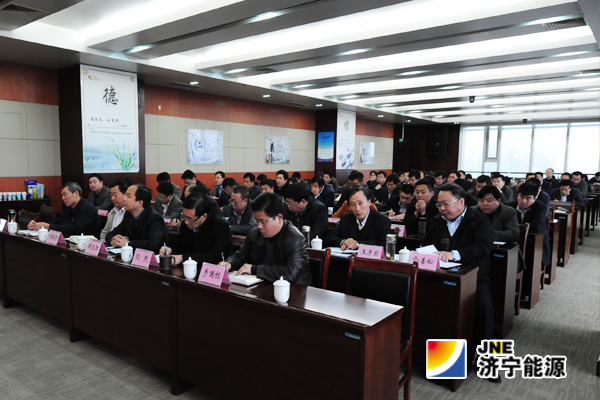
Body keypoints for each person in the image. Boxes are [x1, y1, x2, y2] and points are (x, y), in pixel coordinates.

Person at [423, 183, 496, 378]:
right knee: (438, 312)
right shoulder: (436, 221)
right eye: (439, 205)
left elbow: (483, 247)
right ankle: (443, 366)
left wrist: (454, 254)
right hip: (442, 277)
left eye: (446, 204)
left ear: (461, 202)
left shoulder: (479, 220)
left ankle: (488, 362)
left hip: (474, 277)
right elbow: (427, 244)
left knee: (485, 309)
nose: (442, 209)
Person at [219, 193, 312, 285]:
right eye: (257, 221)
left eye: (263, 222)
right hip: (262, 286)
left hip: (292, 290)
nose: (259, 226)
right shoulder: (255, 233)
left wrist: (254, 269)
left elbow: (290, 274)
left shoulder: (296, 239)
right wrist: (229, 263)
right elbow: (241, 255)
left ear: (279, 218)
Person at [161, 193, 233, 272]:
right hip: (188, 270)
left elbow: (213, 257)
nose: (186, 222)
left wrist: (182, 258)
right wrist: (170, 249)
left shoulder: (220, 226)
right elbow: (180, 245)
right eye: (184, 216)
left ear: (204, 216)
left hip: (211, 271)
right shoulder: (185, 224)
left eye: (190, 218)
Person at [105, 184, 168, 253]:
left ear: (140, 203)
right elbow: (111, 234)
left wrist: (127, 243)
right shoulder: (128, 215)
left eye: (128, 196)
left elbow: (151, 244)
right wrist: (113, 240)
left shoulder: (155, 218)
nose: (124, 199)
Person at [325, 187, 391, 249]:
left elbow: (384, 244)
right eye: (353, 204)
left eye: (360, 203)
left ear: (369, 202)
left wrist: (356, 244)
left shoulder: (382, 221)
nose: (357, 209)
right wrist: (343, 242)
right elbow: (330, 238)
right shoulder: (346, 219)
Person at [28, 182, 101, 238]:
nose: (63, 198)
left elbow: (77, 229)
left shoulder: (87, 208)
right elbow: (58, 222)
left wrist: (48, 226)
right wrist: (38, 225)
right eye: (62, 195)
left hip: (87, 243)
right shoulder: (69, 207)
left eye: (65, 194)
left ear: (76, 193)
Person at [508, 182, 550, 267]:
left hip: (535, 242)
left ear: (535, 198)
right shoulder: (510, 207)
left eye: (528, 198)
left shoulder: (540, 207)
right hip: (514, 240)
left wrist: (515, 227)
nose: (523, 201)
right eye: (521, 197)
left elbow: (536, 226)